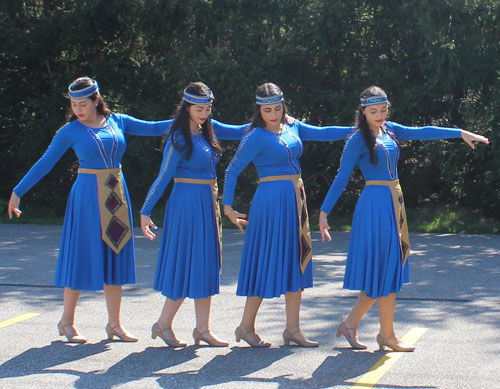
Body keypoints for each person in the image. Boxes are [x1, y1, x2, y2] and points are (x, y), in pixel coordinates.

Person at [318, 85, 489, 351]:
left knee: (387, 270)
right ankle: (386, 335)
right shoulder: (357, 139)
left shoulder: (390, 129)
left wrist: (459, 132)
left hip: (394, 202)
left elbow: (423, 132)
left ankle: (352, 324)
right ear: (362, 112)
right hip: (375, 205)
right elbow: (341, 177)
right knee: (386, 269)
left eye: (384, 109)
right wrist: (324, 212)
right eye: (374, 111)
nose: (380, 115)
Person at [8, 76, 174, 343]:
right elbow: (45, 163)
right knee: (81, 255)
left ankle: (115, 325)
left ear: (97, 100)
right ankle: (67, 322)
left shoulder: (118, 121)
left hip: (117, 193)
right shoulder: (69, 131)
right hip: (86, 196)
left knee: (115, 253)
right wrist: (18, 192)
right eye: (74, 104)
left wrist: (189, 117)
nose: (78, 109)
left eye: (83, 103)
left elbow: (155, 128)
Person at [223, 82, 355, 347]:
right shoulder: (255, 136)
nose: (272, 114)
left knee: (297, 261)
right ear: (258, 110)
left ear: (284, 105)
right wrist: (227, 207)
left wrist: (358, 129)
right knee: (264, 263)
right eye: (267, 110)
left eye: (277, 108)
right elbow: (232, 171)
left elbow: (324, 132)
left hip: (296, 200)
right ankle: (245, 326)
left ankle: (292, 329)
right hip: (270, 204)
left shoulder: (293, 126)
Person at [140, 82, 251, 347]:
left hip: (206, 204)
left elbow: (243, 130)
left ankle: (202, 329)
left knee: (206, 264)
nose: (204, 113)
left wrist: (277, 119)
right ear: (186, 108)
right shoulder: (179, 138)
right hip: (186, 206)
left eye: (208, 108)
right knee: (185, 264)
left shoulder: (207, 129)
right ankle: (163, 323)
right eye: (199, 108)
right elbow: (163, 176)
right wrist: (145, 211)